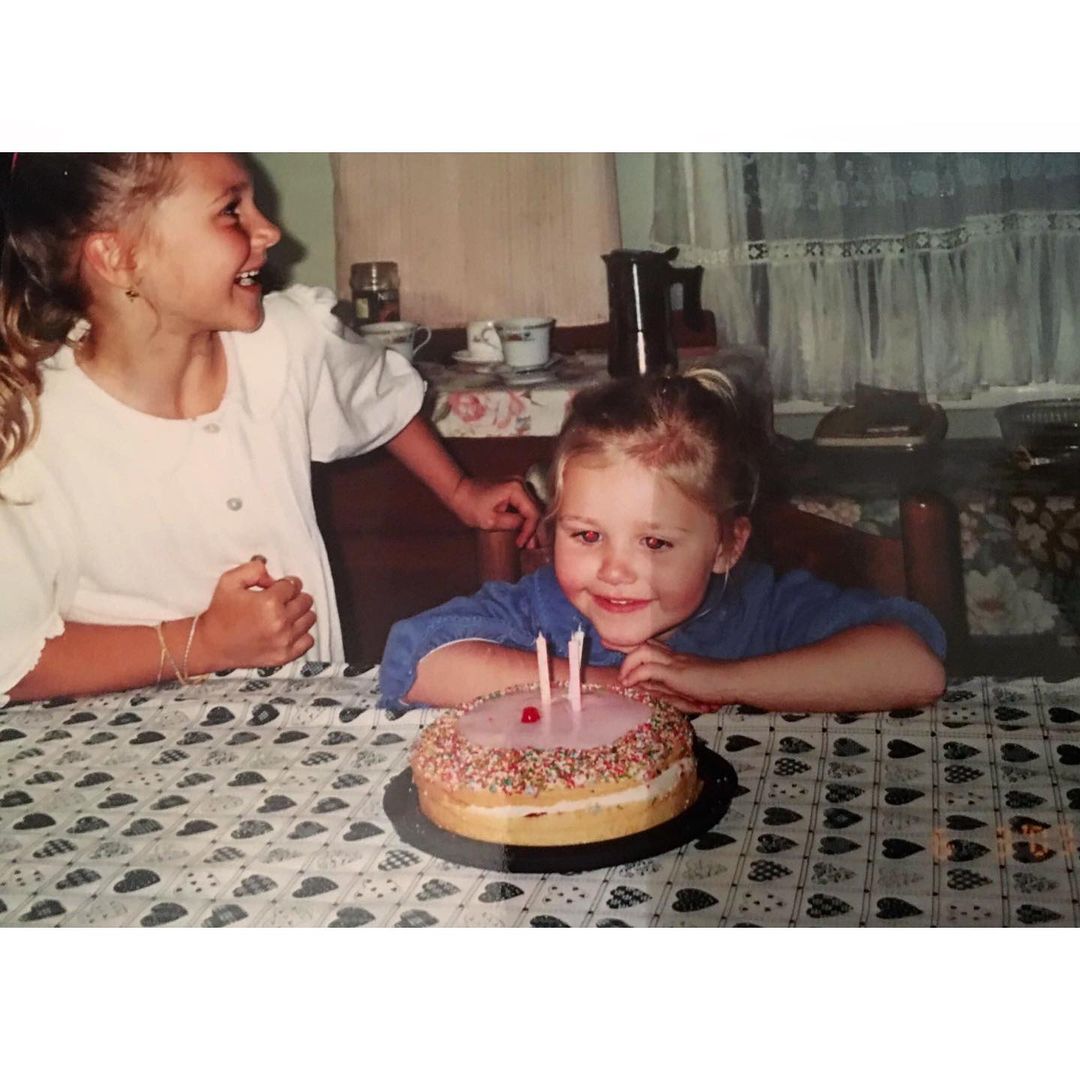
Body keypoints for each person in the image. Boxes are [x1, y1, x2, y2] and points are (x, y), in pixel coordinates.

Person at [0, 152, 539, 705]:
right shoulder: (33, 428)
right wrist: (202, 644)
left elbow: (376, 394)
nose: (270, 230)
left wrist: (459, 491)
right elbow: (11, 662)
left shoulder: (284, 343)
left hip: (302, 732)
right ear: (118, 256)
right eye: (231, 210)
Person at [380, 369, 947, 714]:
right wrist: (612, 686)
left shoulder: (760, 612)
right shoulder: (544, 611)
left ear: (727, 546)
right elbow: (413, 659)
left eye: (654, 543)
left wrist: (711, 682)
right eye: (586, 535)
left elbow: (914, 668)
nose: (615, 570)